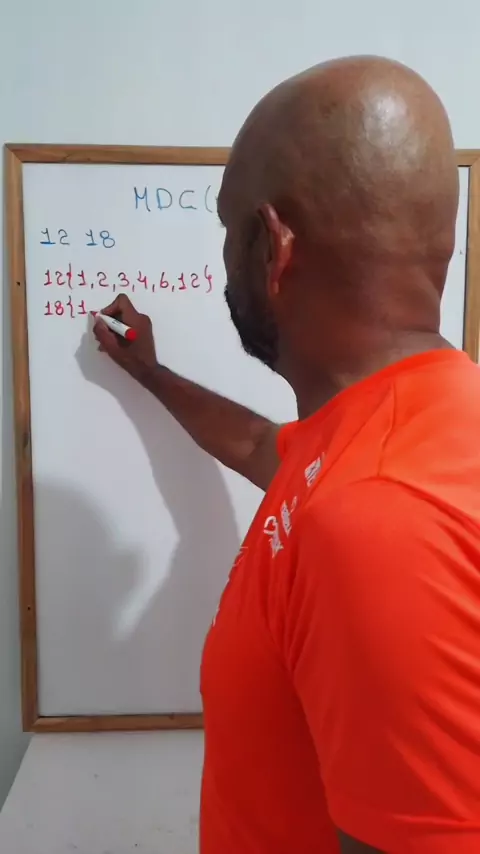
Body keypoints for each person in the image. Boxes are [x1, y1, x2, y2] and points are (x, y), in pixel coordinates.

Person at [93, 55, 480, 854]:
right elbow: (260, 447)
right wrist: (153, 374)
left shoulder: (377, 518)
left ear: (272, 248)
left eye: (226, 228)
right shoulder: (411, 425)